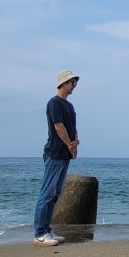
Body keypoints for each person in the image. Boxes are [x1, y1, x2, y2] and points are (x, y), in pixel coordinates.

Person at [33, 70, 80, 246]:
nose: (74, 85)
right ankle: (39, 233)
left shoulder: (69, 105)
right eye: (72, 82)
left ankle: (47, 229)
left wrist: (74, 144)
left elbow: (72, 127)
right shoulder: (54, 103)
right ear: (64, 83)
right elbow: (59, 127)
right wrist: (69, 144)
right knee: (47, 193)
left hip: (65, 154)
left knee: (56, 194)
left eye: (75, 82)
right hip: (54, 153)